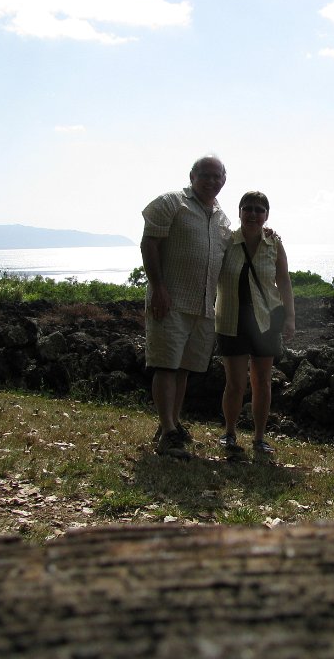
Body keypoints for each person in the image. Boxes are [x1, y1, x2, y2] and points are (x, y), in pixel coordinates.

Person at [140, 155, 232, 459]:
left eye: (217, 176)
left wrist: (268, 235)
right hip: (171, 300)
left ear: (224, 180)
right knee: (166, 364)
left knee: (183, 369)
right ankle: (168, 433)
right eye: (205, 174)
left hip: (204, 305)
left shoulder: (222, 219)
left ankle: (172, 424)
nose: (211, 180)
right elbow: (149, 243)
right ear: (192, 176)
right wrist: (158, 288)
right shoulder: (171, 202)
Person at [215, 191, 295, 456]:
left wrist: (290, 317)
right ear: (239, 212)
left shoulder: (274, 244)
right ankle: (229, 433)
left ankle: (260, 438)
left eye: (259, 210)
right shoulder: (225, 241)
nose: (253, 213)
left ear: (266, 215)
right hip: (230, 318)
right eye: (247, 208)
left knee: (263, 381)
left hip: (266, 320)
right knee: (235, 383)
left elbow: (283, 281)